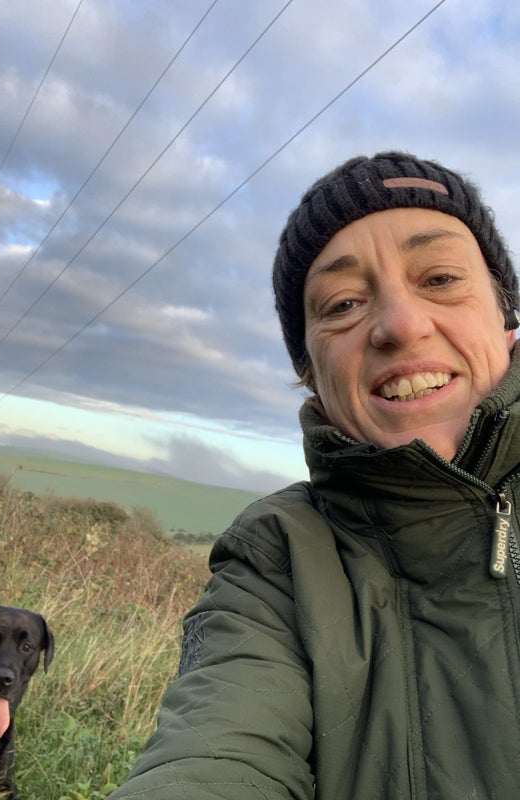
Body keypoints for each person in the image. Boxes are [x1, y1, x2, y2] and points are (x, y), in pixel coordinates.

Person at [107, 151, 520, 799]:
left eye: (439, 278)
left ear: (506, 318)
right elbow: (213, 757)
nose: (401, 325)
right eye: (343, 303)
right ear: (312, 375)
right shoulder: (275, 563)